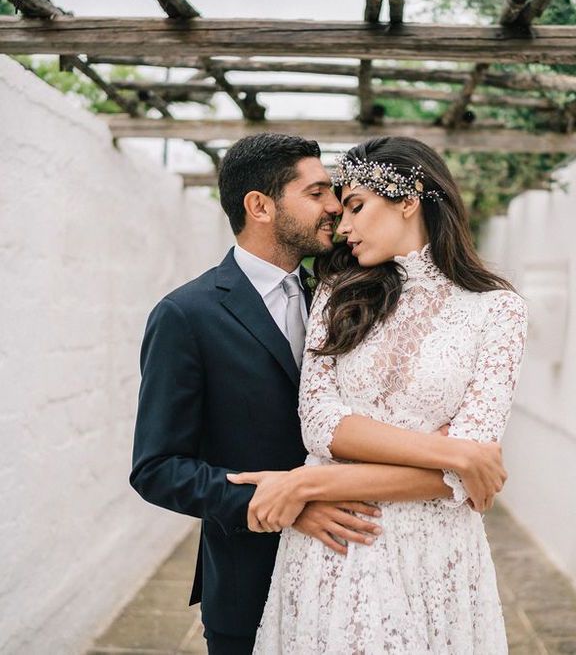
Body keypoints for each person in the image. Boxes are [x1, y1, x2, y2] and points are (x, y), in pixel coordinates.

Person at [130, 133, 508, 655]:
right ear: (259, 206)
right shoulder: (186, 315)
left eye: (344, 198)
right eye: (318, 194)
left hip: (401, 553)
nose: (334, 208)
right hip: (252, 569)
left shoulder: (344, 290)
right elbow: (156, 467)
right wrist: (292, 499)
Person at [228, 136, 529, 653]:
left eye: (356, 207)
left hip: (436, 555)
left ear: (409, 199)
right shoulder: (338, 292)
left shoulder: (498, 310)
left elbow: (461, 480)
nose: (342, 227)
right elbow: (320, 423)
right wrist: (451, 451)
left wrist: (307, 484)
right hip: (335, 547)